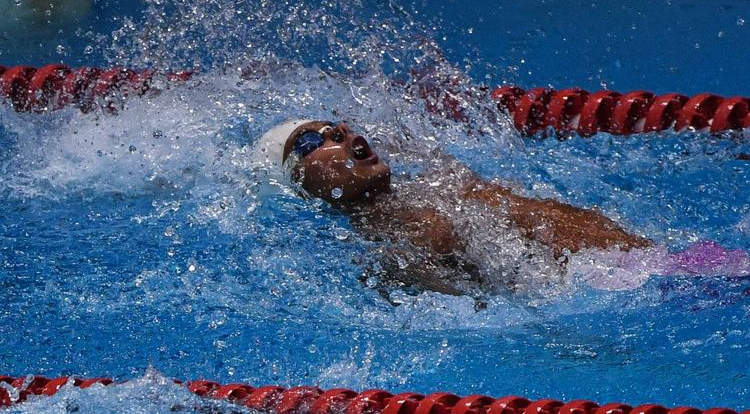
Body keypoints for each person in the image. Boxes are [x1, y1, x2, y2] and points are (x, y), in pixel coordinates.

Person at [252, 119, 750, 297]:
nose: (342, 134)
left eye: (338, 125)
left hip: (672, 262)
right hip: (635, 287)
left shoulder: (436, 179)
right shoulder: (388, 244)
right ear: (299, 183)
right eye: (313, 140)